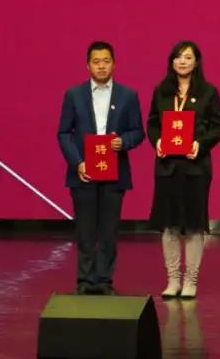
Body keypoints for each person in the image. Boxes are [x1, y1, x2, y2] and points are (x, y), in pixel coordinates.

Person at [57, 41, 144, 295]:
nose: (101, 66)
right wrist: (78, 163)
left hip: (114, 172)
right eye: (96, 61)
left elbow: (138, 131)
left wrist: (123, 142)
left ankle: (104, 280)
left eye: (106, 61)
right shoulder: (74, 95)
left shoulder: (128, 95)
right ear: (88, 65)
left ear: (114, 64)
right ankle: (85, 280)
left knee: (109, 230)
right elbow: (64, 133)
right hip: (83, 172)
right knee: (85, 229)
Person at [146, 40, 220, 299]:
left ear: (196, 62)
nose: (182, 61)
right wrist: (157, 141)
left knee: (193, 225)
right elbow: (152, 123)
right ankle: (173, 280)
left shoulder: (208, 92)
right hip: (167, 167)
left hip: (195, 167)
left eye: (188, 57)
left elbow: (219, 126)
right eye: (178, 57)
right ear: (171, 61)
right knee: (168, 226)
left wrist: (199, 145)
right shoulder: (161, 91)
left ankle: (191, 280)